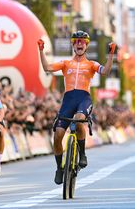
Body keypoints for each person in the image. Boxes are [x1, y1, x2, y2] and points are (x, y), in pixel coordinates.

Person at [37, 30, 117, 184]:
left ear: (86, 46)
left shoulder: (91, 64)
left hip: (83, 99)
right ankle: (60, 168)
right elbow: (47, 67)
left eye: (82, 42)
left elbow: (105, 71)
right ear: (73, 45)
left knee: (79, 119)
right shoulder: (66, 64)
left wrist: (111, 54)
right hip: (68, 99)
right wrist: (41, 50)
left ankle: (82, 154)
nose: (79, 44)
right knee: (58, 134)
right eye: (77, 42)